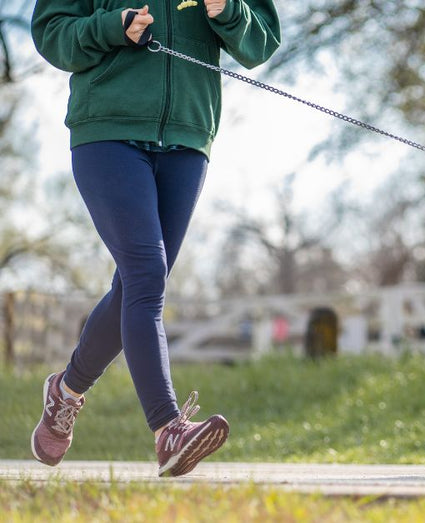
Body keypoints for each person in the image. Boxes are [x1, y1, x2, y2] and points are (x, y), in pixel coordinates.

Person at [30, 1, 280, 477]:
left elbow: (261, 42)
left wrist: (229, 11)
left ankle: (65, 391)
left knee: (135, 284)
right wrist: (112, 27)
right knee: (146, 275)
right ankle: (169, 429)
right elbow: (51, 33)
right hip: (108, 132)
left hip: (188, 138)